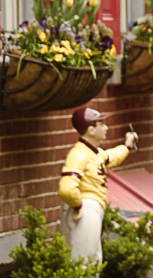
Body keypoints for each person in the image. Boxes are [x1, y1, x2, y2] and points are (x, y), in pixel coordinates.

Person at [58, 106, 135, 263]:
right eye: (101, 124)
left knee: (93, 258)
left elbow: (111, 156)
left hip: (92, 207)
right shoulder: (79, 154)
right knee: (83, 259)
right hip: (86, 207)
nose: (106, 128)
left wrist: (127, 146)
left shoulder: (94, 152)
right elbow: (66, 187)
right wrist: (77, 205)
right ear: (91, 130)